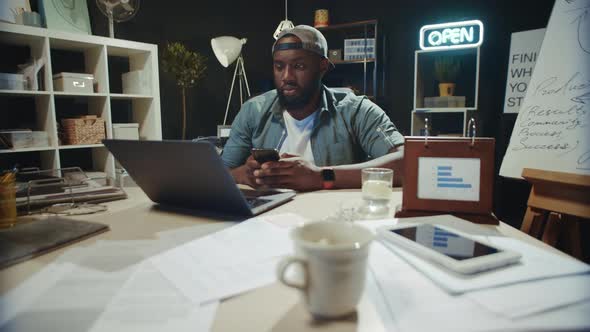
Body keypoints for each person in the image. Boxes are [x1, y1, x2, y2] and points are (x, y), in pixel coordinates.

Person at [221, 25, 404, 191]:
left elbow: (407, 163)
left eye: (299, 66)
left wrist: (320, 176)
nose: (287, 77)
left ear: (322, 67)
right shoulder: (253, 110)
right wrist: (245, 174)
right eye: (279, 67)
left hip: (332, 219)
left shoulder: (356, 110)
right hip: (268, 219)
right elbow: (221, 172)